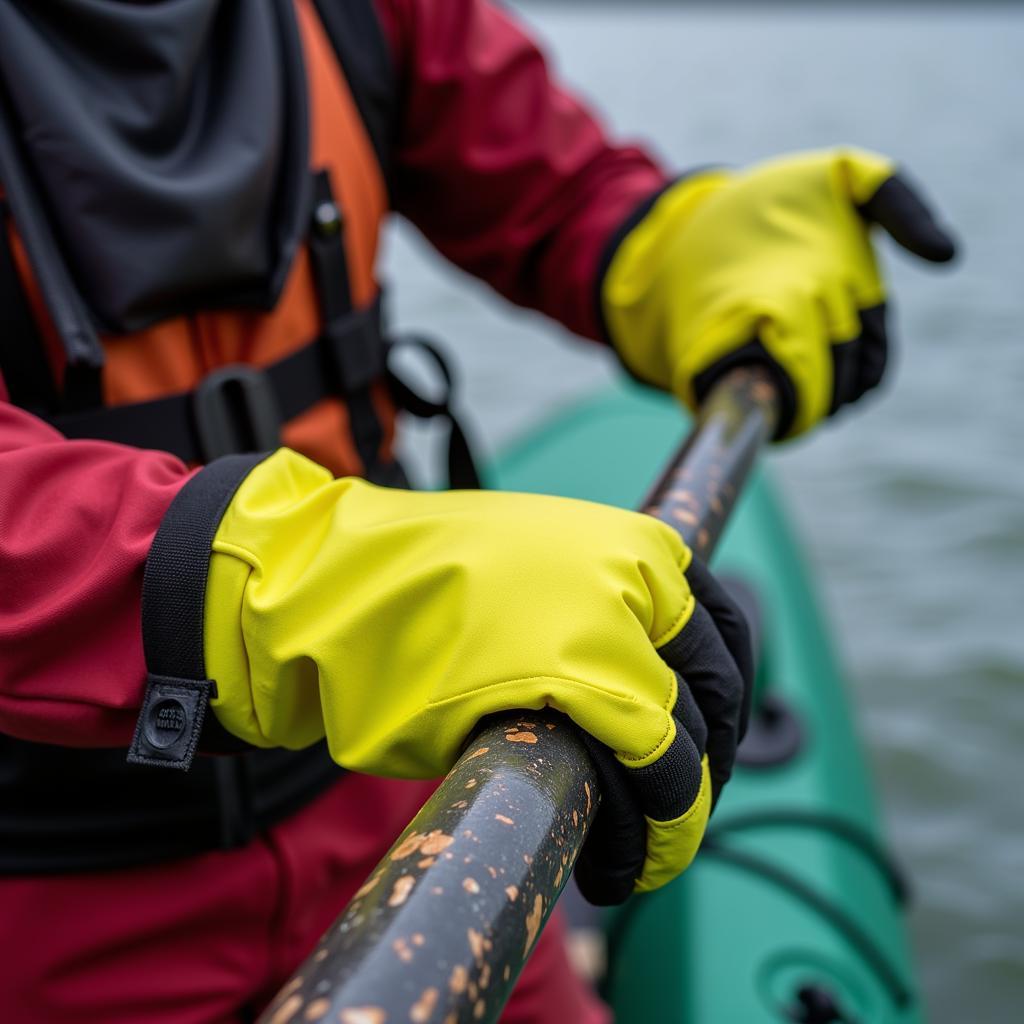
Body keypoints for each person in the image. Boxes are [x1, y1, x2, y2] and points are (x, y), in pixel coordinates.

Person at [0, 1, 955, 1021]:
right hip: (45, 896)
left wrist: (673, 246)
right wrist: (315, 588)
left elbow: (549, 181)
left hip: (393, 804)